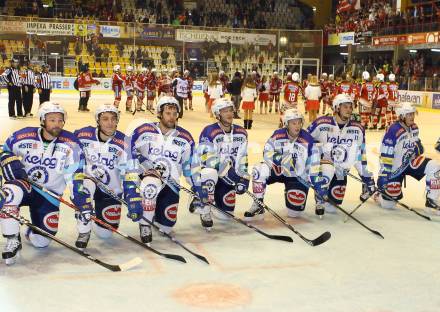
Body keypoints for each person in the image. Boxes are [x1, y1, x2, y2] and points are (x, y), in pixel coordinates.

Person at [0, 102, 90, 265]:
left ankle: (29, 230)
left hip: (49, 194)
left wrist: (79, 195)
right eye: (52, 120)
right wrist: (7, 159)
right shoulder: (23, 135)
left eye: (60, 120)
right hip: (25, 186)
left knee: (42, 241)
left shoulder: (71, 142)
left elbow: (75, 173)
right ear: (42, 120)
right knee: (9, 193)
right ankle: (12, 239)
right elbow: (4, 149)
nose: (57, 124)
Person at [130, 96, 200, 243]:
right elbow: (128, 151)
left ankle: (153, 212)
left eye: (175, 114)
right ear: (160, 113)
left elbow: (189, 165)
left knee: (166, 227)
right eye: (168, 113)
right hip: (146, 180)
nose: (172, 117)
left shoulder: (185, 138)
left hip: (171, 184)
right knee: (150, 184)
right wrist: (143, 163)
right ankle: (145, 225)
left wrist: (196, 186)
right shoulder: (144, 131)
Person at [73, 104, 143, 249]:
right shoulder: (82, 135)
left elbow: (130, 172)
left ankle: (93, 219)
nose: (110, 123)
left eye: (113, 119)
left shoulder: (125, 142)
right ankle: (84, 230)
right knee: (84, 189)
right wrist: (75, 185)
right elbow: (70, 159)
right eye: (105, 119)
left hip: (110, 190)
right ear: (98, 121)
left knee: (105, 234)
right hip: (87, 182)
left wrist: (132, 195)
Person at [243, 108, 323, 220]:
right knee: (259, 169)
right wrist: (280, 159)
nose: (297, 126)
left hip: (296, 176)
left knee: (294, 214)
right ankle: (258, 203)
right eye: (293, 123)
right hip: (278, 171)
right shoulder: (277, 135)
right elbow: (267, 152)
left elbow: (314, 162)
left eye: (299, 122)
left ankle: (293, 192)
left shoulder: (307, 138)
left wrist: (311, 178)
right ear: (286, 124)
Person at [307, 94, 375, 216]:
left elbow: (360, 155)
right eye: (345, 107)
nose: (349, 110)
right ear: (337, 108)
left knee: (332, 208)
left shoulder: (358, 128)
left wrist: (366, 177)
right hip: (323, 166)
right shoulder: (321, 123)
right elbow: (304, 140)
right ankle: (319, 196)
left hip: (341, 170)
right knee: (327, 169)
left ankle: (327, 193)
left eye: (350, 107)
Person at [194, 98, 249, 229]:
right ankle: (203, 206)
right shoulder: (209, 131)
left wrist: (243, 178)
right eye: (225, 111)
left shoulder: (241, 133)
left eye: (230, 110)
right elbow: (206, 158)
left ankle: (212, 200)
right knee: (209, 172)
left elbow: (243, 158)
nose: (229, 114)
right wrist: (225, 170)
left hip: (228, 178)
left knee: (226, 216)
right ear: (217, 114)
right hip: (209, 176)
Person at [377, 102, 440, 213]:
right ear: (401, 116)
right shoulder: (393, 130)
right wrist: (384, 175)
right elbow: (386, 155)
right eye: (409, 114)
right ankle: (377, 195)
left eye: (412, 114)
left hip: (409, 164)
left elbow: (418, 146)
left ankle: (431, 201)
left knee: (434, 165)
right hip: (395, 169)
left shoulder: (414, 128)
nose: (412, 116)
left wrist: (418, 148)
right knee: (389, 204)